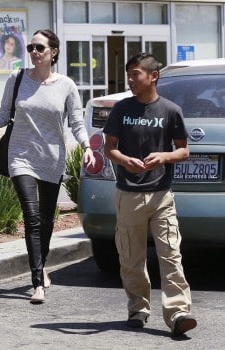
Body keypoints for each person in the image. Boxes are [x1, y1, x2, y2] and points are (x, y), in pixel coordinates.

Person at [0, 29, 95, 304]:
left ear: (53, 52)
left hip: (51, 158)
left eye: (39, 48)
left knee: (46, 220)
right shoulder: (18, 78)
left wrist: (87, 147)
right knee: (32, 217)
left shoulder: (67, 86)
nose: (34, 53)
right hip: (20, 156)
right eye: (31, 48)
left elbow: (76, 123)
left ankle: (42, 265)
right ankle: (37, 282)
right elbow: (2, 115)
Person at [103, 53, 197, 336]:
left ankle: (178, 312)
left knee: (171, 254)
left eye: (136, 74)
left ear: (153, 76)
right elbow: (109, 148)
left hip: (161, 196)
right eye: (129, 75)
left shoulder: (170, 110)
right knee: (131, 257)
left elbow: (184, 151)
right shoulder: (121, 109)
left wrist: (165, 156)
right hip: (128, 194)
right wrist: (124, 160)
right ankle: (138, 309)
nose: (131, 80)